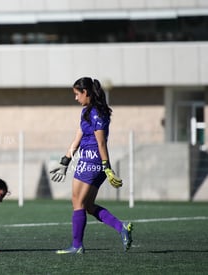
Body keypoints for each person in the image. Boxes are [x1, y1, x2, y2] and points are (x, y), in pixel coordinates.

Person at [50, 77, 133, 254]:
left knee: (78, 203)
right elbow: (78, 138)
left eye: (77, 94)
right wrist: (65, 161)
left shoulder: (97, 113)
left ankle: (77, 245)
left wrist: (107, 167)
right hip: (85, 160)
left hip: (93, 161)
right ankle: (122, 227)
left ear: (86, 92)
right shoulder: (86, 111)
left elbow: (101, 143)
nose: (75, 98)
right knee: (87, 205)